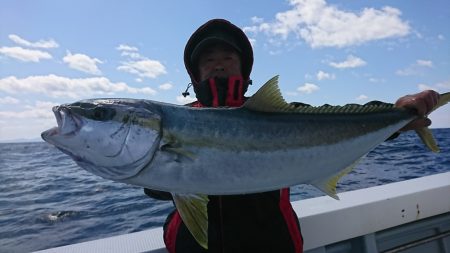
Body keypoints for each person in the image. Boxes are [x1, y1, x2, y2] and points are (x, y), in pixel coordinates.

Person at [145, 19, 440, 253]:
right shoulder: (177, 121)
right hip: (193, 248)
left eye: (228, 56)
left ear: (245, 69)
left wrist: (397, 114)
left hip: (272, 244)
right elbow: (155, 187)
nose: (218, 63)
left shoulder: (280, 114)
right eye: (208, 60)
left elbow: (336, 119)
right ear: (195, 74)